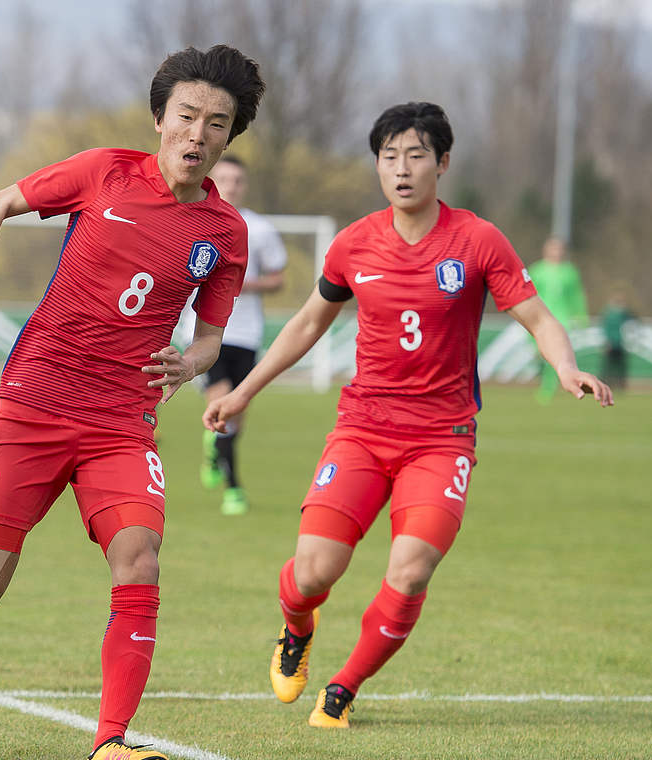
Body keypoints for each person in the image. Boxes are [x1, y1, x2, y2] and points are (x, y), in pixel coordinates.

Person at [0, 45, 266, 760]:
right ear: (160, 118)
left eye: (216, 122)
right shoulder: (104, 171)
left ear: (230, 134)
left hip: (122, 423)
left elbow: (212, 338)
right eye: (186, 116)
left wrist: (192, 360)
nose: (197, 134)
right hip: (35, 404)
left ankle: (111, 744)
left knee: (140, 558)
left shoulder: (225, 235)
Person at [203, 102, 613, 729]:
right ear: (377, 166)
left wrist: (564, 366)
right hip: (362, 433)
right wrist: (243, 391)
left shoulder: (478, 240)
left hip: (442, 440)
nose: (401, 168)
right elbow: (310, 322)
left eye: (416, 155)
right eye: (389, 156)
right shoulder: (353, 243)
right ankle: (296, 628)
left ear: (442, 163)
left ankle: (342, 688)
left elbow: (535, 315)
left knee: (412, 569)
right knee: (312, 573)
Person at [193, 156, 288, 516]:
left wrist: (246, 285)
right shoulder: (195, 219)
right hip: (203, 333)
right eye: (224, 179)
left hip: (246, 333)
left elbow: (278, 278)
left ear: (244, 185)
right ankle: (234, 490)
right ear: (212, 179)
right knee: (224, 408)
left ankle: (213, 450)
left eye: (237, 180)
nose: (231, 186)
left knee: (237, 412)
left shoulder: (260, 229)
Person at [527, 237, 589, 403]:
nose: (557, 252)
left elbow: (576, 295)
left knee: (555, 355)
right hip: (538, 317)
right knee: (539, 355)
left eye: (559, 249)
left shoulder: (569, 272)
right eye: (553, 248)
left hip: (562, 318)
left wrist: (581, 315)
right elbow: (528, 293)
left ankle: (548, 388)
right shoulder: (537, 270)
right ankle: (546, 382)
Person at [600, 288, 636, 391]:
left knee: (619, 367)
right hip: (613, 344)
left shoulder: (623, 313)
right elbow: (605, 329)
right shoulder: (610, 314)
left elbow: (632, 322)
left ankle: (620, 385)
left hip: (620, 344)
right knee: (609, 367)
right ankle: (606, 385)